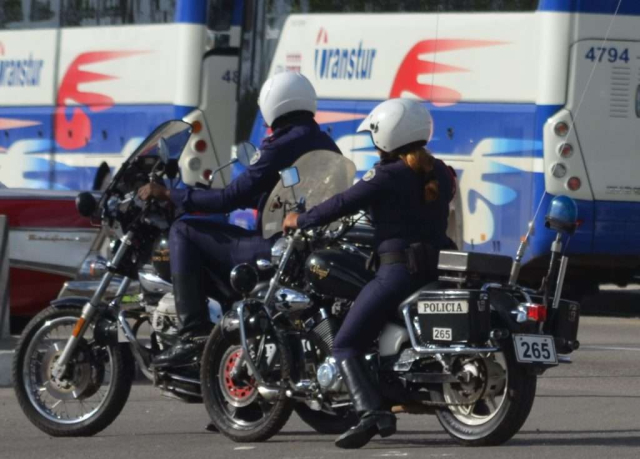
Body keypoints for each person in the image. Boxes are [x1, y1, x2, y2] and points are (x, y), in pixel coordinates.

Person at [282, 98, 456, 449]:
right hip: (436, 268)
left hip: (398, 272)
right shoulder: (441, 172)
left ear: (386, 136)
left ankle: (372, 412)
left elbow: (342, 203)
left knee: (345, 344)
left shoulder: (387, 175)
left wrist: (300, 219)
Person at [137, 72, 341, 368]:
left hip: (275, 250)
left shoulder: (281, 144)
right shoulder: (323, 141)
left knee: (184, 230)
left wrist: (171, 195)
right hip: (308, 250)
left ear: (272, 104)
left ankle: (192, 334)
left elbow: (230, 197)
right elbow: (280, 193)